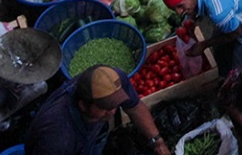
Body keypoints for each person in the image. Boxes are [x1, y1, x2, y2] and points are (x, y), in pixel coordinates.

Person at [25, 66, 168, 155]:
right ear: (83, 106)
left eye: (113, 105)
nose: (112, 112)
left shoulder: (110, 80)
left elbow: (135, 108)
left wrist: (158, 143)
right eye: (104, 108)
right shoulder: (57, 138)